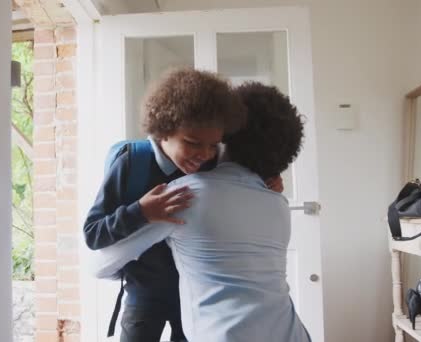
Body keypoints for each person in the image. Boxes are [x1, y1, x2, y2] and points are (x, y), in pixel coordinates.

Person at [88, 82, 312, 342]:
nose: (204, 153)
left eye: (212, 143)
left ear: (225, 136)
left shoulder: (187, 194)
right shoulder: (277, 202)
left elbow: (99, 265)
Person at [82, 68, 248, 342]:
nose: (204, 155)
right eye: (192, 143)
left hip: (199, 294)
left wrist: (269, 182)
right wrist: (142, 212)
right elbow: (94, 234)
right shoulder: (130, 162)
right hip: (144, 291)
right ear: (163, 130)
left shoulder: (217, 164)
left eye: (213, 145)